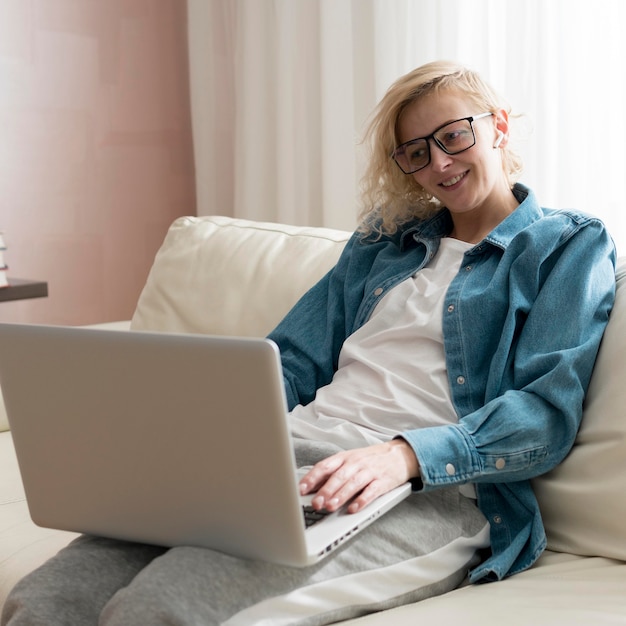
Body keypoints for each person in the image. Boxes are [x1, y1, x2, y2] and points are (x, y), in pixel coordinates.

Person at [2, 60, 616, 626]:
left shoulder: (567, 246)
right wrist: (189, 437)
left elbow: (544, 415)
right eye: (415, 152)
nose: (439, 165)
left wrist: (400, 455)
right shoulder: (385, 242)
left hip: (425, 489)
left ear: (498, 127)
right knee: (45, 602)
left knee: (162, 608)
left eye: (454, 137)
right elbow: (291, 358)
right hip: (283, 460)